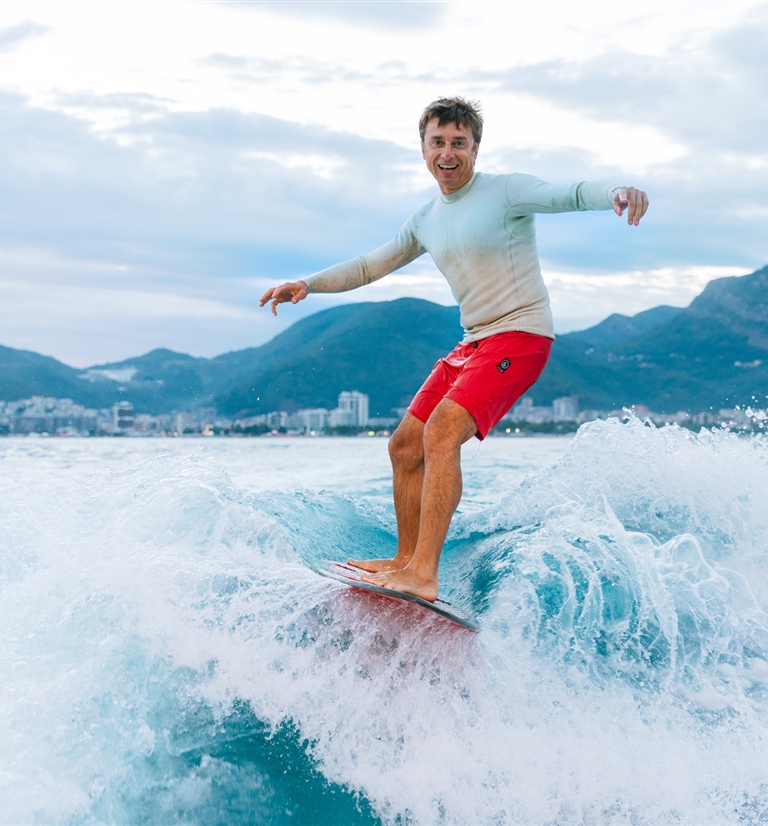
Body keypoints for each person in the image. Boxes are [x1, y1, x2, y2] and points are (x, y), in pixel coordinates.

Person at [259, 97, 649, 602]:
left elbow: (568, 194)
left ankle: (424, 573)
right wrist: (307, 284)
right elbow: (367, 266)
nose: (448, 153)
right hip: (473, 343)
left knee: (441, 433)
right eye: (438, 142)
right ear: (423, 149)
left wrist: (616, 191)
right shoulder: (425, 219)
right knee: (404, 445)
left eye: (459, 143)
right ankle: (404, 559)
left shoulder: (506, 191)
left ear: (475, 149)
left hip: (521, 336)